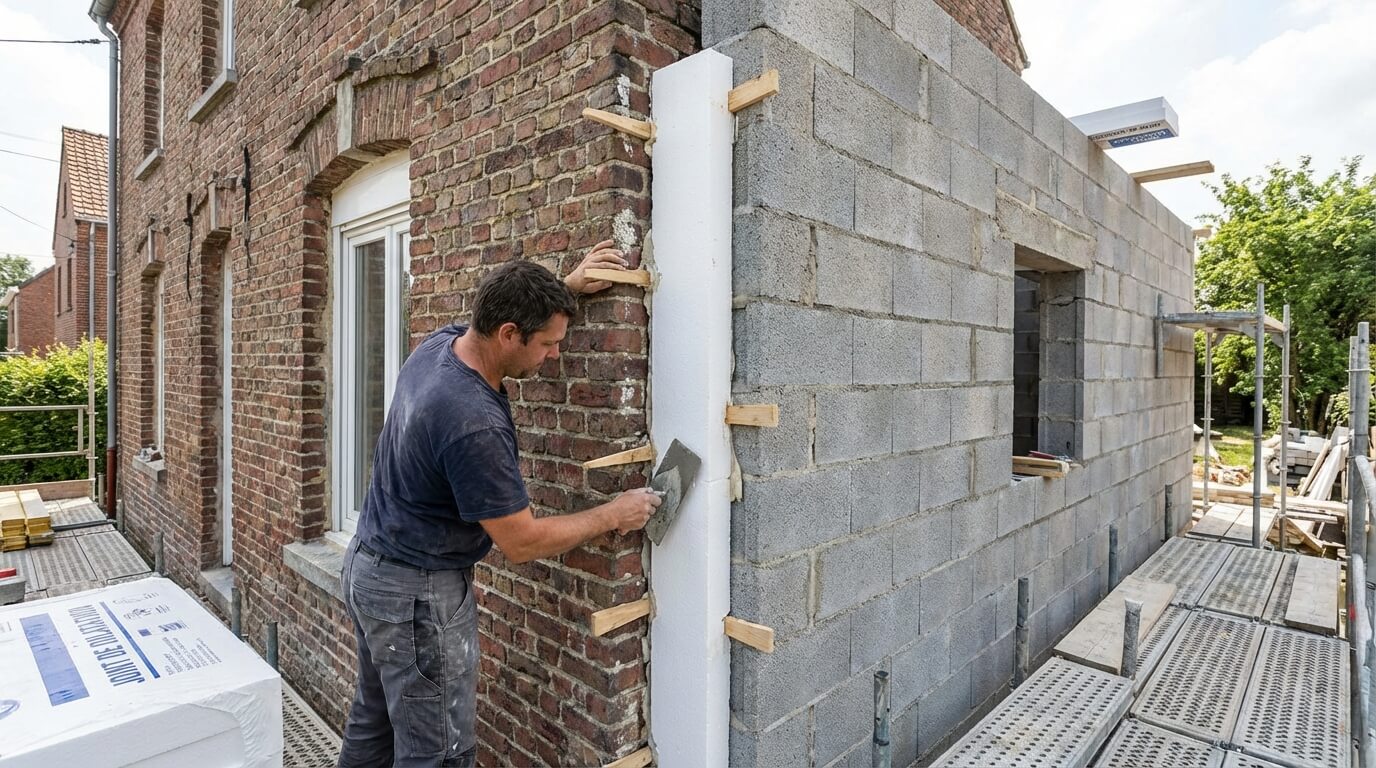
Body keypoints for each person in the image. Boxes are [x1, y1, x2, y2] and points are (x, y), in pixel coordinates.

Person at [337, 240, 662, 767]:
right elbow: (520, 540)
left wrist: (564, 290)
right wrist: (613, 514)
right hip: (417, 599)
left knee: (374, 725)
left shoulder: (441, 345)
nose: (555, 354)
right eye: (548, 344)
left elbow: (515, 316)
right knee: (437, 754)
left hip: (370, 571)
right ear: (509, 334)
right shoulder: (473, 422)